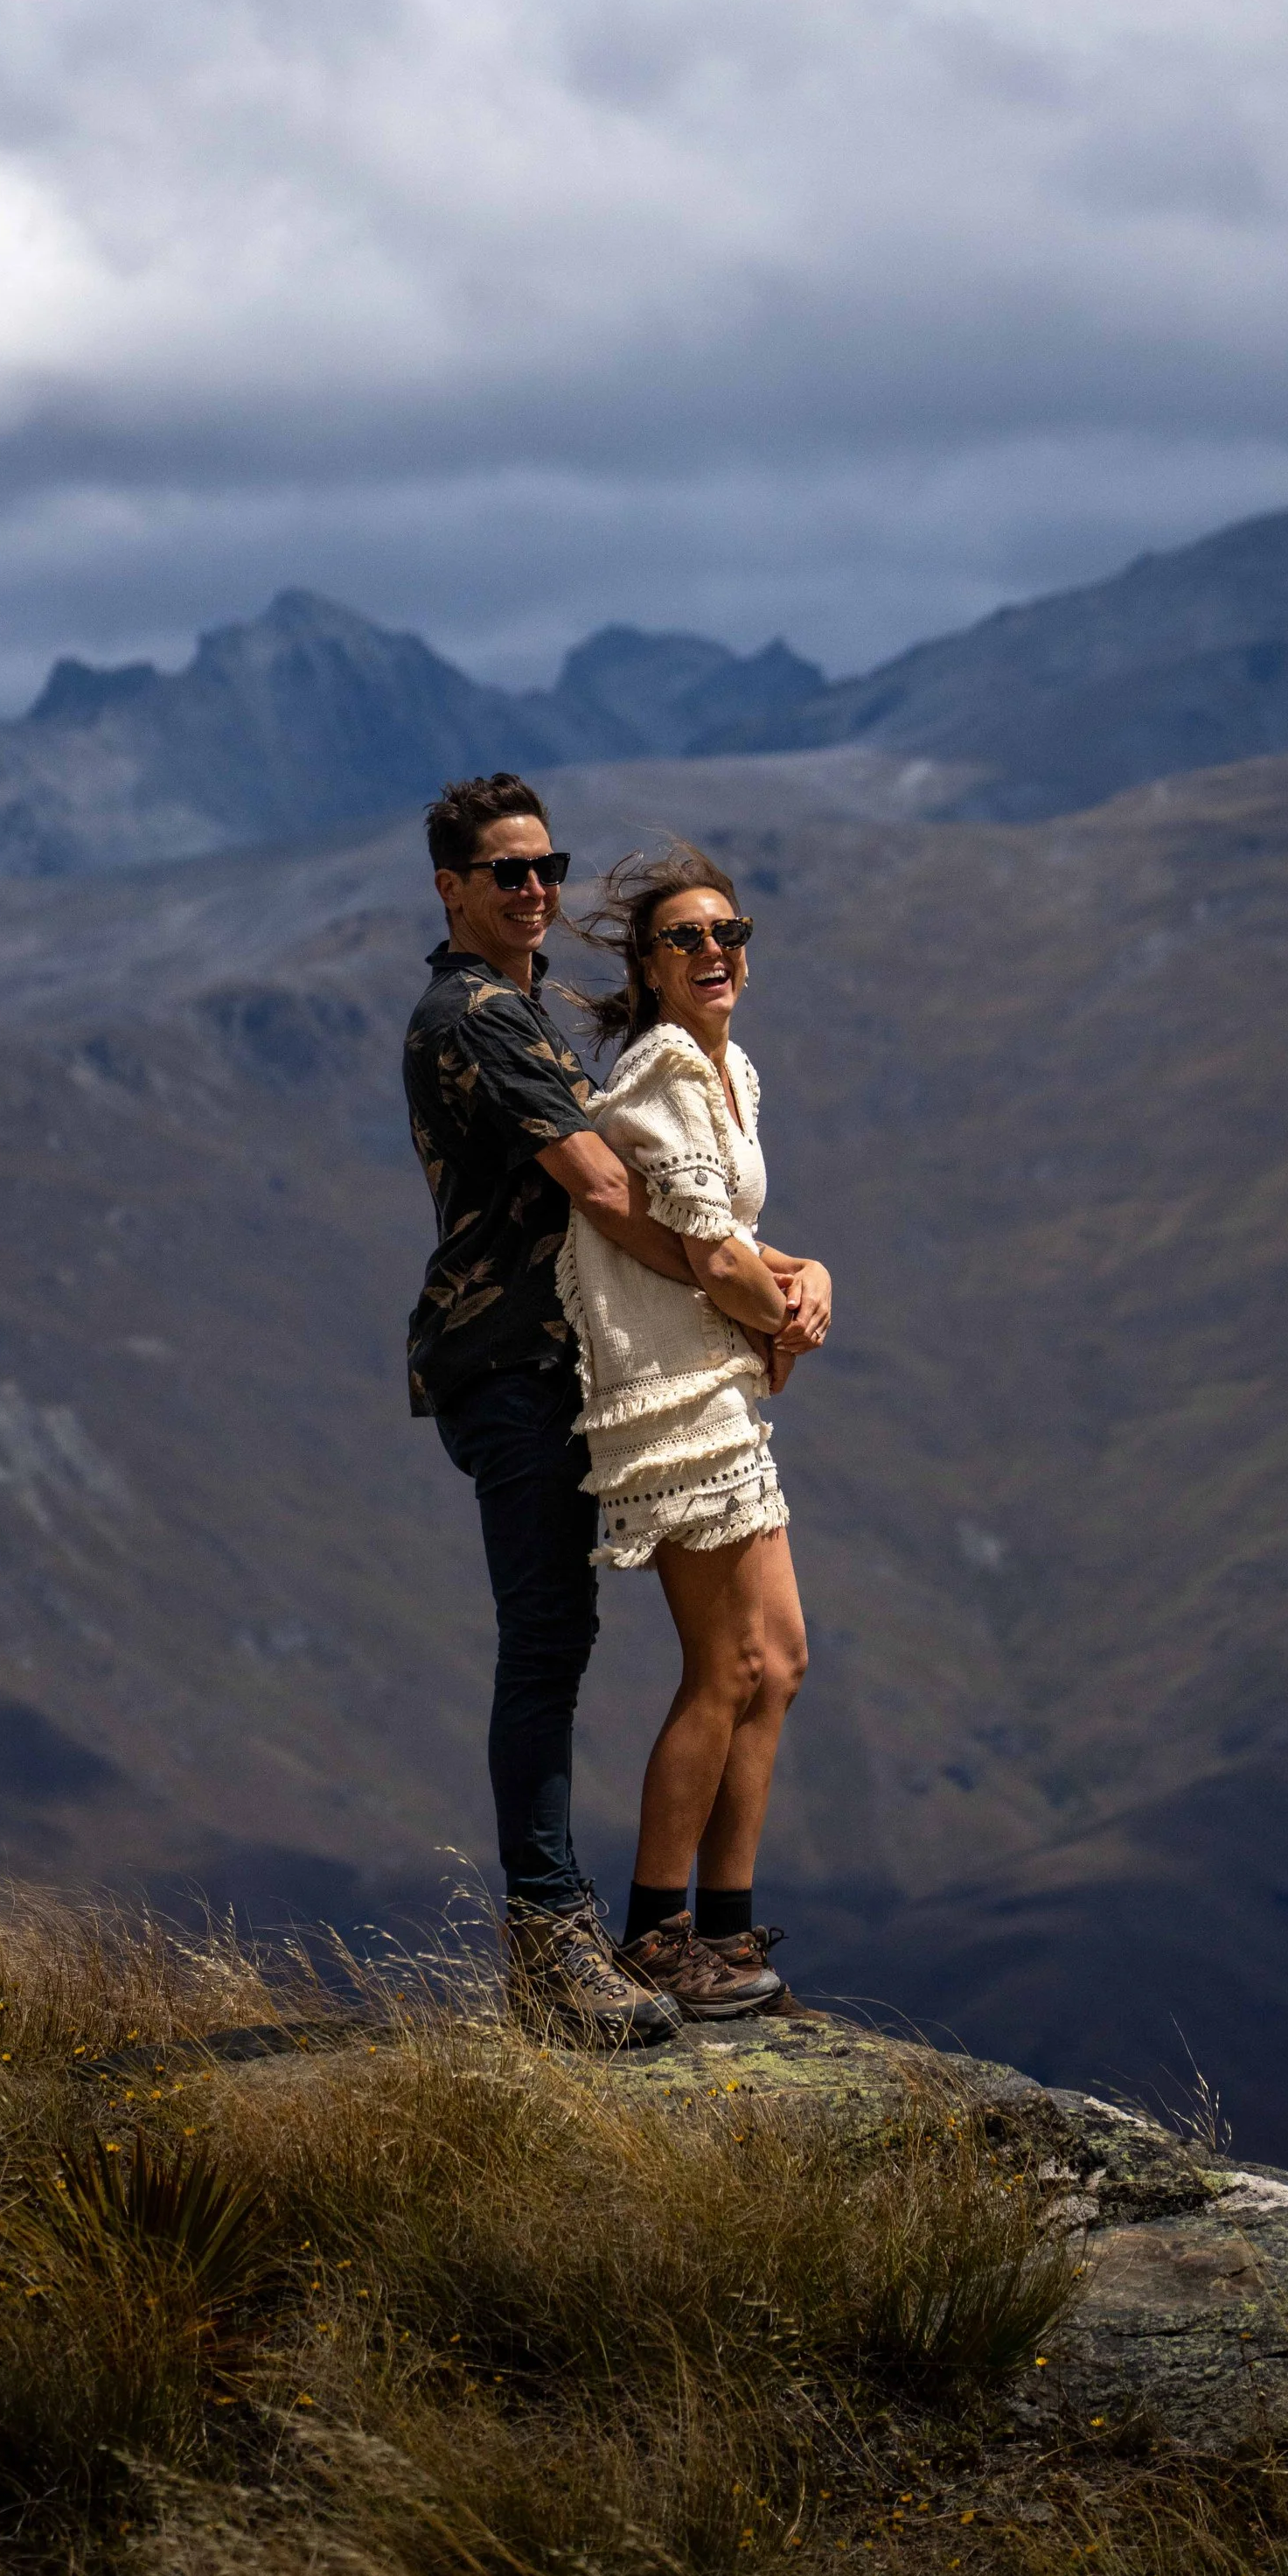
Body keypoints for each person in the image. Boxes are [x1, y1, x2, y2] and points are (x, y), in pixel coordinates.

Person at [405, 772, 700, 2047]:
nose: (536, 888)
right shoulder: (474, 1013)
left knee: (558, 1634)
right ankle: (549, 1945)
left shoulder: (515, 1003)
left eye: (548, 867)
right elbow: (598, 1182)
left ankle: (564, 1936)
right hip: (504, 1363)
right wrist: (739, 1283)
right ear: (451, 886)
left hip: (543, 1362)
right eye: (508, 870)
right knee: (543, 1638)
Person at [559, 844, 832, 2019]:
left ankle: (725, 1928)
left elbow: (734, 1238)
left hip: (715, 1385)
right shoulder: (665, 1072)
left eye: (731, 933)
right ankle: (657, 1932)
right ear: (650, 966)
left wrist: (809, 1275)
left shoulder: (732, 1070)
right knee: (723, 1663)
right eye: (687, 939)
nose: (716, 952)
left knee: (780, 1660)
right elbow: (713, 1253)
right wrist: (779, 1321)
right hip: (670, 1402)